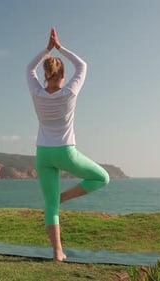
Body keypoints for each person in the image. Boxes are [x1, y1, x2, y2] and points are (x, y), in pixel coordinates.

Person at [26, 27, 110, 261]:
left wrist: (47, 49)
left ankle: (57, 252)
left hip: (43, 154)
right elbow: (82, 66)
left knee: (50, 206)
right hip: (65, 152)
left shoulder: (37, 94)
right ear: (62, 75)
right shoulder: (69, 93)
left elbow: (28, 68)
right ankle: (64, 197)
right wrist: (60, 47)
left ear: (45, 75)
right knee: (102, 177)